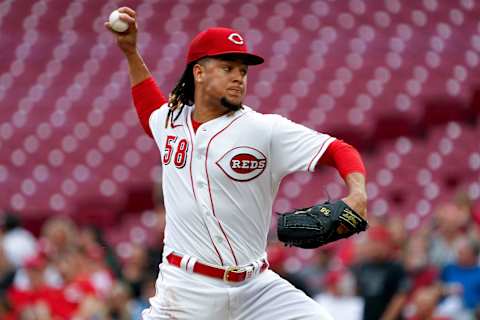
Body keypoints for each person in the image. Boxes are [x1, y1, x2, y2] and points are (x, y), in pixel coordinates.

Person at [106, 7, 367, 320]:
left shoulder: (264, 130)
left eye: (242, 71)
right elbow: (149, 108)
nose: (238, 78)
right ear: (198, 72)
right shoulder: (171, 122)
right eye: (227, 68)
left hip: (256, 288)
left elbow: (339, 150)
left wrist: (357, 194)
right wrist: (131, 52)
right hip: (186, 291)